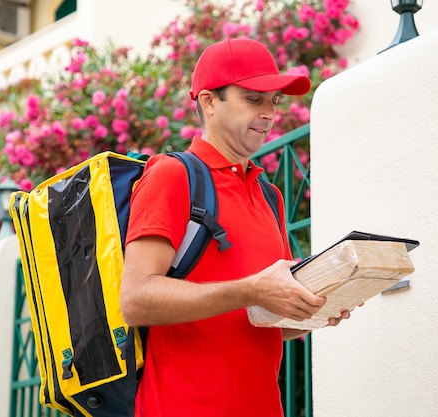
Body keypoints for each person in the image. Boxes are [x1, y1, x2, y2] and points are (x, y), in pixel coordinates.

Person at [120, 38, 350, 417]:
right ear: (210, 102)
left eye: (274, 101)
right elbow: (136, 299)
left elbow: (260, 320)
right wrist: (252, 290)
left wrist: (313, 311)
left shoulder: (269, 195)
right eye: (253, 99)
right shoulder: (172, 175)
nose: (270, 114)